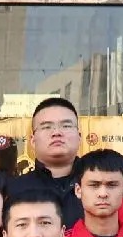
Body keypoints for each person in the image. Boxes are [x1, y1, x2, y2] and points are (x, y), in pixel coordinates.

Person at [14, 96, 83, 227]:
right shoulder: (15, 189)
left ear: (79, 137)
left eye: (66, 126)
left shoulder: (99, 186)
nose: (56, 132)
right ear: (32, 141)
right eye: (46, 127)